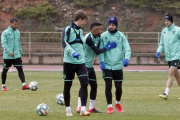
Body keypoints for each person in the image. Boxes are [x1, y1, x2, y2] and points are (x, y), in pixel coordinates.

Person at [76, 22, 117, 113]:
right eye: (101, 29)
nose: (102, 31)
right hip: (83, 65)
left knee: (94, 86)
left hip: (89, 65)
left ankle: (91, 108)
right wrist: (108, 47)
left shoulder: (97, 37)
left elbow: (99, 46)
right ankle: (79, 107)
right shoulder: (88, 38)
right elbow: (97, 51)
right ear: (95, 30)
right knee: (84, 85)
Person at [98, 16, 131, 114]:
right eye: (110, 24)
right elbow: (100, 50)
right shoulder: (103, 36)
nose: (111, 26)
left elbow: (127, 49)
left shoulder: (121, 36)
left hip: (118, 66)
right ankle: (110, 106)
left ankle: (117, 103)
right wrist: (102, 62)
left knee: (118, 87)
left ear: (116, 25)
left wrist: (126, 59)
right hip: (107, 66)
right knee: (108, 85)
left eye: (113, 25)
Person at [62, 10, 90, 116]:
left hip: (80, 63)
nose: (85, 23)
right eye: (85, 21)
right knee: (67, 86)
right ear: (80, 19)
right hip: (69, 62)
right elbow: (64, 43)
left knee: (84, 83)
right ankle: (68, 109)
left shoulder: (81, 31)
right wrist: (72, 53)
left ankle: (83, 108)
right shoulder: (67, 29)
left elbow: (81, 46)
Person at [1, 18, 29, 91]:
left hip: (17, 55)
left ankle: (24, 84)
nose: (16, 25)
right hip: (8, 56)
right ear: (10, 24)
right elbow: (3, 44)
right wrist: (9, 51)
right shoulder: (5, 33)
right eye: (15, 24)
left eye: (17, 24)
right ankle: (3, 85)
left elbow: (18, 43)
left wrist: (20, 51)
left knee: (20, 69)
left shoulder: (17, 32)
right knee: (5, 70)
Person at [156, 14, 180, 100]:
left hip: (177, 55)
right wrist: (158, 51)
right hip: (169, 57)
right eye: (165, 21)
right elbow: (161, 44)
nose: (166, 22)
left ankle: (165, 93)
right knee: (177, 75)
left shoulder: (178, 30)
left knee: (171, 73)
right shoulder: (164, 31)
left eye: (168, 21)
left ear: (171, 21)